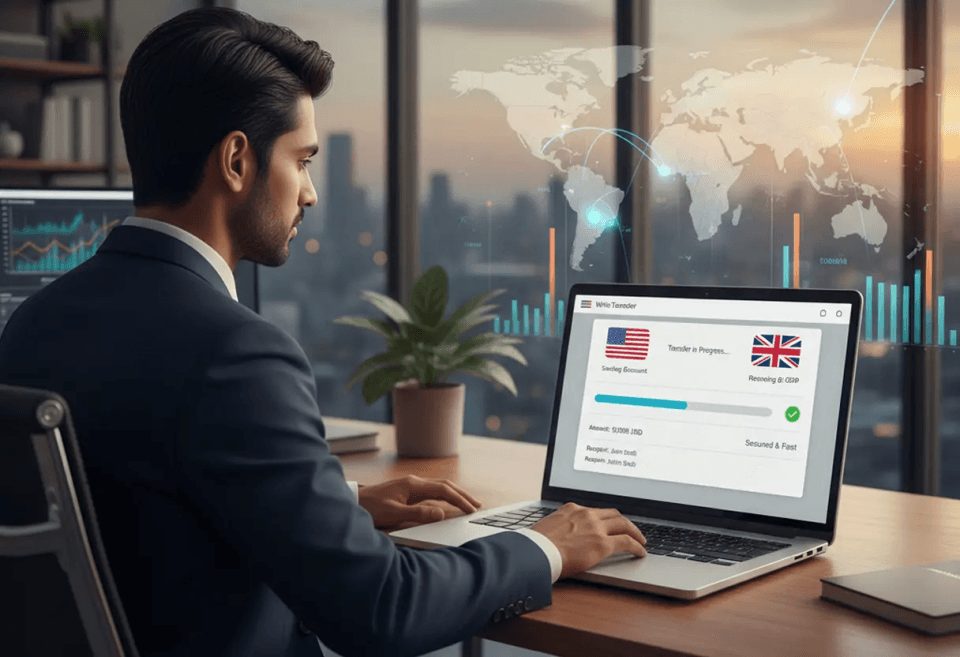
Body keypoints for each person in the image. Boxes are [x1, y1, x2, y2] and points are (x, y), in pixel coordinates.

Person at [0, 7, 646, 656]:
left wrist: (340, 501)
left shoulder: (31, 326)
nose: (309, 193)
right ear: (235, 160)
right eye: (302, 160)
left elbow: (144, 504)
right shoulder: (234, 354)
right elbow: (383, 609)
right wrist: (545, 546)